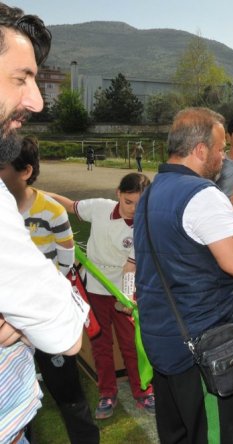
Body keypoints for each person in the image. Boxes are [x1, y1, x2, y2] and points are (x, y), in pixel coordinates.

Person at [133, 107, 233, 444]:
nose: (223, 157)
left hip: (165, 339)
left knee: (177, 433)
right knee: (214, 434)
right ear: (200, 150)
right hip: (204, 349)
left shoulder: (151, 191)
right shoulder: (204, 195)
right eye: (220, 149)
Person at [0, 4, 88, 443]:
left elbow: (66, 257)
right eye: (21, 78)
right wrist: (37, 307)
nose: (35, 100)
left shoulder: (48, 210)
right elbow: (65, 329)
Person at [0, 136, 99, 443]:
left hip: (41, 315)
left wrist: (40, 299)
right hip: (9, 325)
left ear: (25, 171)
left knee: (68, 394)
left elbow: (67, 260)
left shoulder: (50, 210)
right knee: (15, 395)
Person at [48, 172, 155, 420]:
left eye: (140, 204)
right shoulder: (99, 207)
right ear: (118, 192)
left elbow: (131, 267)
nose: (133, 209)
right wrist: (34, 194)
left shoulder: (144, 227)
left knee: (132, 344)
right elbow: (68, 205)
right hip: (95, 289)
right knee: (100, 343)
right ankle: (107, 392)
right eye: (128, 202)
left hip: (125, 292)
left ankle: (143, 391)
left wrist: (126, 300)